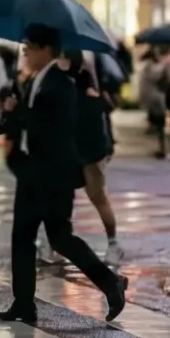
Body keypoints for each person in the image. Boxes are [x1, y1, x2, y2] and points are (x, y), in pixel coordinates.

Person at [0, 24, 127, 326]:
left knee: (61, 238)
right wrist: (6, 116)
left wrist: (16, 113)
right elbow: (24, 119)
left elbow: (47, 127)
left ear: (45, 50)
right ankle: (24, 303)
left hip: (53, 174)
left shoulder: (60, 85)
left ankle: (110, 283)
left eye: (29, 47)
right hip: (33, 172)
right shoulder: (36, 81)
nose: (25, 51)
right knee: (23, 238)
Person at [69, 52, 123, 264]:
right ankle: (55, 241)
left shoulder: (85, 94)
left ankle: (113, 243)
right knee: (67, 198)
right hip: (83, 151)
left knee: (97, 196)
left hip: (91, 152)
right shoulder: (91, 94)